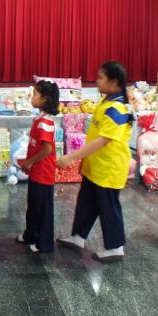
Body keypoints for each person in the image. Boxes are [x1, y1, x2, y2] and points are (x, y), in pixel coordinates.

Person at [56, 61, 134, 263]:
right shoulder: (107, 100)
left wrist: (71, 157)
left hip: (109, 168)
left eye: (101, 78)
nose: (97, 81)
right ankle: (78, 237)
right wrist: (85, 160)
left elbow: (103, 140)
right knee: (86, 202)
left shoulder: (118, 108)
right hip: (96, 165)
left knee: (108, 207)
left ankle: (115, 247)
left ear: (113, 82)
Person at [16, 80, 60, 253]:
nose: (31, 96)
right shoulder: (39, 119)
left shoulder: (45, 123)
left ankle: (44, 243)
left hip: (43, 173)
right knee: (33, 206)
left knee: (42, 209)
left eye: (35, 94)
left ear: (45, 99)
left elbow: (47, 150)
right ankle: (30, 235)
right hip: (36, 171)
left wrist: (30, 162)